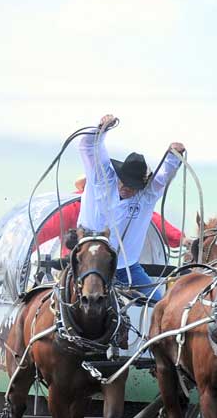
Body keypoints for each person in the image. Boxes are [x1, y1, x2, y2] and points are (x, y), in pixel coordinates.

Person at [76, 114, 185, 302]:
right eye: (125, 182)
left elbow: (162, 178)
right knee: (65, 302)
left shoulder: (147, 195)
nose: (127, 188)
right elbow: (88, 147)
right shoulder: (101, 177)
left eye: (133, 186)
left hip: (126, 267)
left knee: (158, 306)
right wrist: (100, 128)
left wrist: (173, 158)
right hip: (88, 260)